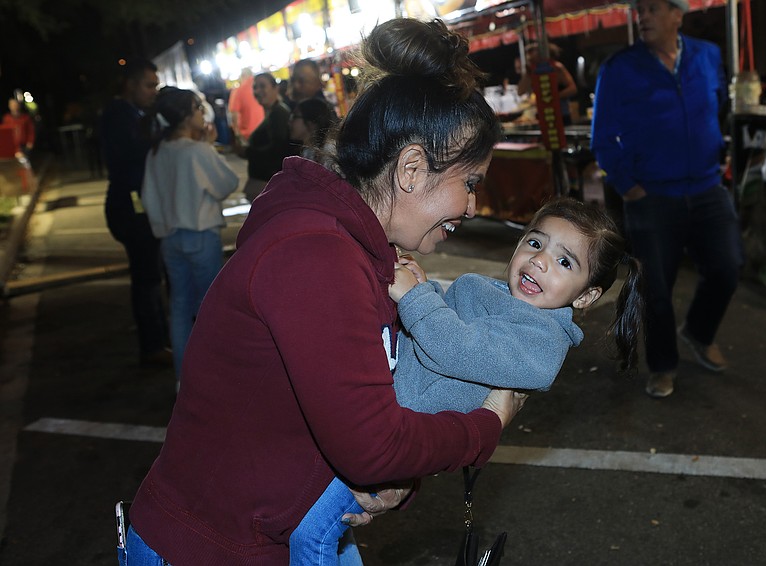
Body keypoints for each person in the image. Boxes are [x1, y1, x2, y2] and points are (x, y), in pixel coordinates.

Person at [125, 18, 527, 566]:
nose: (473, 208)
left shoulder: (358, 249)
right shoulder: (316, 255)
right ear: (411, 168)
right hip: (213, 548)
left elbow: (361, 417)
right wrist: (486, 425)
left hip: (285, 532)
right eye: (471, 183)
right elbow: (371, 447)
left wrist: (396, 483)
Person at [289, 196, 645, 564]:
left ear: (586, 296)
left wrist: (414, 294)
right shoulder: (491, 291)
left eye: (564, 262)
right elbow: (449, 311)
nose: (539, 261)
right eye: (535, 243)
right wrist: (426, 287)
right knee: (334, 532)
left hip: (393, 439)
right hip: (374, 417)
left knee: (310, 535)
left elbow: (454, 345)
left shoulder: (540, 345)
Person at [590, 0, 742, 398]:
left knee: (728, 267)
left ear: (678, 14)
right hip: (652, 196)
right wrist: (629, 187)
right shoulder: (619, 68)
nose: (643, 16)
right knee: (656, 289)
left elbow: (721, 107)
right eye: (640, 9)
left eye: (654, 8)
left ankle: (698, 331)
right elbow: (602, 138)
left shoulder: (708, 56)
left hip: (708, 188)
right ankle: (662, 365)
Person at [140, 89, 239, 382]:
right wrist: (208, 147)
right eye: (197, 107)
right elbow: (226, 183)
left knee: (181, 307)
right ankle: (212, 376)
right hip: (200, 235)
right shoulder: (196, 150)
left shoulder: (157, 152)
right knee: (209, 308)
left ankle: (184, 378)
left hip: (170, 238)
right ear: (185, 115)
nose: (201, 112)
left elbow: (149, 198)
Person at [100, 59, 172, 368]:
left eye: (155, 85)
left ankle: (158, 339)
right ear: (130, 85)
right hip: (131, 206)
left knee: (150, 274)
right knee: (146, 277)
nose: (153, 91)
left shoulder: (133, 114)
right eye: (148, 85)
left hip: (135, 203)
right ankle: (152, 345)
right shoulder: (119, 115)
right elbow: (138, 151)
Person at [236, 72, 298, 202]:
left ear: (275, 88)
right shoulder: (272, 113)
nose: (257, 91)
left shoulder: (279, 114)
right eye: (255, 87)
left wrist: (246, 151)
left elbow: (278, 150)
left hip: (271, 186)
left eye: (262, 86)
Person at [518, 42, 578, 125]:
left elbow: (573, 89)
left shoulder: (556, 67)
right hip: (543, 116)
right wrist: (527, 75)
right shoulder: (532, 71)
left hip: (561, 114)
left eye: (532, 52)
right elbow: (520, 92)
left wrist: (553, 96)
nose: (529, 57)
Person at [289, 97, 338, 167]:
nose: (290, 122)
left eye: (294, 117)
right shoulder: (307, 152)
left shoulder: (329, 152)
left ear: (311, 122)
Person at [228, 67, 264, 146]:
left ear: (243, 76)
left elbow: (234, 114)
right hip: (264, 129)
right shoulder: (262, 88)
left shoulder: (238, 91)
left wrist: (237, 133)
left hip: (248, 134)